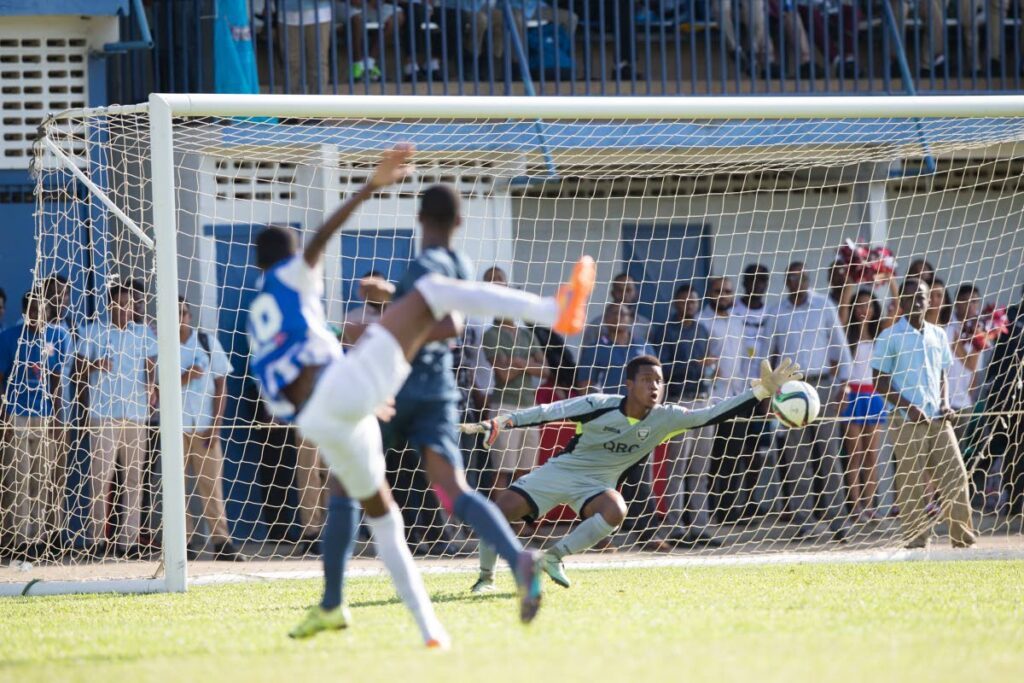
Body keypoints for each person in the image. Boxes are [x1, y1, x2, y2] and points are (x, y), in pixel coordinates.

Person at [249, 144, 595, 642]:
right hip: (381, 390)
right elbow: (323, 238)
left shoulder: (260, 308)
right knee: (430, 296)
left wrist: (361, 376)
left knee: (376, 515)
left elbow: (297, 368)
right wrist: (372, 183)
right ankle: (553, 311)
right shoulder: (294, 275)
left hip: (320, 416)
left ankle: (413, 626)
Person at [463, 355, 804, 591]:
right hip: (562, 472)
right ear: (629, 384)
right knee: (499, 510)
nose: (654, 387)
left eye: (659, 381)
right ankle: (485, 578)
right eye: (646, 380)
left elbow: (712, 414)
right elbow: (549, 411)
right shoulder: (600, 405)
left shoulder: (667, 417)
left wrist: (761, 390)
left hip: (597, 485)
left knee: (617, 509)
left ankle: (554, 558)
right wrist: (504, 420)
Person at [872, 279, 975, 549]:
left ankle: (962, 537)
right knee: (911, 481)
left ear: (930, 301)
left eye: (922, 297)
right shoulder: (889, 336)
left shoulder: (938, 335)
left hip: (938, 418)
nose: (917, 301)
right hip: (905, 419)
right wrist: (907, 406)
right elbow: (879, 380)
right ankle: (916, 540)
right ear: (901, 303)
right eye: (910, 297)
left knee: (956, 475)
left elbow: (942, 373)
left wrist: (944, 403)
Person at [770, 261, 852, 540]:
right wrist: (769, 391)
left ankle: (839, 522)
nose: (796, 282)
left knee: (829, 455)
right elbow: (771, 353)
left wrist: (844, 383)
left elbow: (841, 347)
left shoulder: (824, 305)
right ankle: (804, 522)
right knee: (796, 458)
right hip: (790, 390)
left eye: (800, 277)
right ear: (786, 282)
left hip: (822, 386)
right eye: (791, 278)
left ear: (807, 279)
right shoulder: (777, 311)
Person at [76, 283, 158, 558]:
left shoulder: (143, 333)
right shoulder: (92, 332)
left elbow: (151, 364)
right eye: (121, 305)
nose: (127, 310)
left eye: (130, 305)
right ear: (110, 306)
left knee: (134, 479)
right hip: (104, 414)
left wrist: (152, 386)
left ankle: (129, 541)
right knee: (101, 478)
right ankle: (97, 539)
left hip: (136, 413)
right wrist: (94, 365)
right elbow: (76, 371)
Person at [0, 291, 70, 560]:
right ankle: (19, 540)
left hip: (43, 415)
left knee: (41, 480)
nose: (35, 315)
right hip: (17, 414)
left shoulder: (58, 337)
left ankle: (38, 538)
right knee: (19, 478)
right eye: (30, 309)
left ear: (49, 312)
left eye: (40, 310)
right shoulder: (9, 339)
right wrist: (4, 416)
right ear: (24, 310)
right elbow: (1, 380)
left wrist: (57, 416)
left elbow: (55, 381)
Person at [649, 283, 720, 547]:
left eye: (692, 302)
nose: (688, 306)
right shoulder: (664, 332)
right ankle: (674, 525)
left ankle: (700, 526)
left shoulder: (702, 330)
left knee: (700, 467)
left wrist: (710, 368)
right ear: (676, 304)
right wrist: (695, 365)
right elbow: (661, 367)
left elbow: (709, 365)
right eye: (684, 302)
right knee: (677, 466)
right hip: (678, 401)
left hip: (703, 400)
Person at [177, 298, 244, 562]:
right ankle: (184, 541)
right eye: (175, 313)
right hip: (176, 427)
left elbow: (221, 386)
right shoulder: (160, 345)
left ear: (190, 316)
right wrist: (185, 377)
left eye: (184, 312)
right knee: (175, 487)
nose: (180, 317)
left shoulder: (206, 342)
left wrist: (216, 426)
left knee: (211, 486)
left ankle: (221, 541)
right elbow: (155, 386)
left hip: (204, 426)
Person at [482, 280, 547, 491]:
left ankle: (519, 521)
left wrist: (518, 362)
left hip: (530, 406)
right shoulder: (491, 334)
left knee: (526, 471)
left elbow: (546, 369)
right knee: (502, 470)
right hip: (505, 407)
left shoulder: (527, 334)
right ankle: (498, 520)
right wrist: (529, 364)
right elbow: (504, 375)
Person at [841, 289, 889, 522]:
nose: (864, 310)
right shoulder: (846, 335)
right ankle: (855, 507)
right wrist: (853, 276)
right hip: (852, 395)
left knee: (872, 455)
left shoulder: (881, 335)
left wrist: (888, 276)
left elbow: (897, 304)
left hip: (874, 395)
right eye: (859, 305)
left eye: (868, 305)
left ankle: (870, 506)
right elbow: (842, 309)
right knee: (854, 455)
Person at [985, 284, 1024, 518]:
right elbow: (996, 353)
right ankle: (1010, 498)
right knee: (1010, 447)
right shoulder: (1008, 316)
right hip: (1006, 393)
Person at [582, 272, 651, 348]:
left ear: (636, 293)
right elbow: (587, 355)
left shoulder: (646, 325)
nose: (624, 295)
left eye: (628, 290)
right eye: (619, 290)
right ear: (612, 293)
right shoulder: (596, 326)